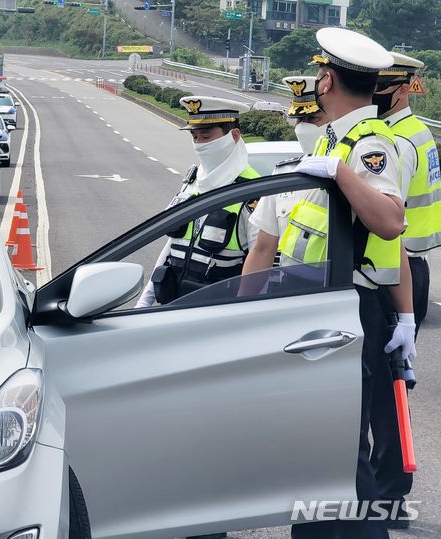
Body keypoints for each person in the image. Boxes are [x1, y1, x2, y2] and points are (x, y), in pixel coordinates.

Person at [271, 28, 414, 538]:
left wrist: (340, 172)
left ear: (326, 79)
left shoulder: (367, 145)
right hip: (322, 306)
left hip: (347, 310)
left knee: (340, 458)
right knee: (319, 455)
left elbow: (392, 223)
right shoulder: (336, 138)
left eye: (318, 74)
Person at [369, 51, 439, 529]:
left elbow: (385, 223)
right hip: (408, 265)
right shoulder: (416, 132)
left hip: (396, 271)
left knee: (386, 394)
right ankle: (386, 488)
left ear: (396, 89)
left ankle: (389, 493)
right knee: (390, 390)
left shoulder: (396, 140)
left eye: (376, 87)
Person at [135, 96, 260, 309]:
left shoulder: (252, 191)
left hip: (215, 317)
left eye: (206, 136)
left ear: (234, 135)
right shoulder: (193, 181)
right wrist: (145, 301)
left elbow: (260, 260)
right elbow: (173, 244)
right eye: (194, 137)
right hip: (172, 306)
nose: (199, 144)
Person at [240, 76, 328, 285]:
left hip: (342, 297)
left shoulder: (354, 171)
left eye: (313, 119)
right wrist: (243, 308)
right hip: (290, 291)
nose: (303, 127)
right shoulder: (283, 174)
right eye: (299, 119)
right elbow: (263, 248)